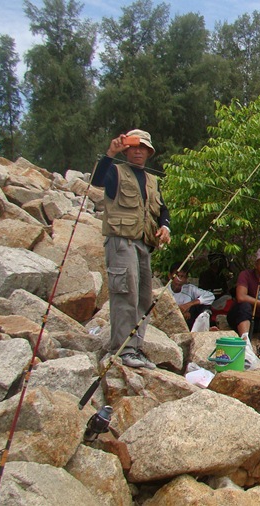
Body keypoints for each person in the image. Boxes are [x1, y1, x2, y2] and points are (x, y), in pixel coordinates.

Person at [91, 129, 170, 369]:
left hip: (143, 245)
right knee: (126, 294)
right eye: (134, 147)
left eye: (143, 148)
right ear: (127, 150)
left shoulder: (152, 181)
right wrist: (110, 154)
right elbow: (97, 180)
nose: (139, 151)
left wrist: (166, 227)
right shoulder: (115, 172)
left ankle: (135, 348)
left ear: (148, 152)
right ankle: (122, 349)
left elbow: (163, 210)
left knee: (144, 297)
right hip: (120, 241)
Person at [168, 262, 215, 330]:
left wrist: (189, 304)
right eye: (177, 276)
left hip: (189, 321)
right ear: (170, 276)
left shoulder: (190, 289)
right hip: (172, 321)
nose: (179, 280)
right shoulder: (165, 291)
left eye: (183, 277)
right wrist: (180, 313)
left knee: (204, 306)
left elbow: (210, 296)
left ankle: (203, 328)